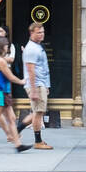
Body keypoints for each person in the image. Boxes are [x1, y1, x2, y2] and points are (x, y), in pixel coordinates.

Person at [21, 22, 55, 151]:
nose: (42, 35)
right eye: (39, 32)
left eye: (43, 32)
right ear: (32, 33)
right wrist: (34, 89)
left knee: (38, 112)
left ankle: (16, 131)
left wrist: (46, 85)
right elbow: (31, 71)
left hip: (41, 84)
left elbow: (42, 68)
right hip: (36, 84)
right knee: (38, 112)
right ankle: (38, 141)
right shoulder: (32, 49)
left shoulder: (37, 46)